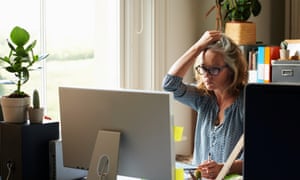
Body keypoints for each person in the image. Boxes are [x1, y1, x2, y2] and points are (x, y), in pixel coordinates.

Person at [162, 30, 247, 179]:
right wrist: (198, 47)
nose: (206, 75)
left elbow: (259, 159)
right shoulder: (203, 98)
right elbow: (170, 85)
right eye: (202, 68)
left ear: (233, 69)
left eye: (214, 69)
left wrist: (223, 168)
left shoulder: (246, 103)